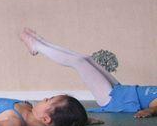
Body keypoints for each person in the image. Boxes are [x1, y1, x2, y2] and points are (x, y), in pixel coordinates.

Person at [20, 28, 156, 119]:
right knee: (86, 59)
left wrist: (151, 111)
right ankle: (40, 41)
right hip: (122, 90)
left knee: (78, 62)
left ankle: (37, 46)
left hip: (115, 100)